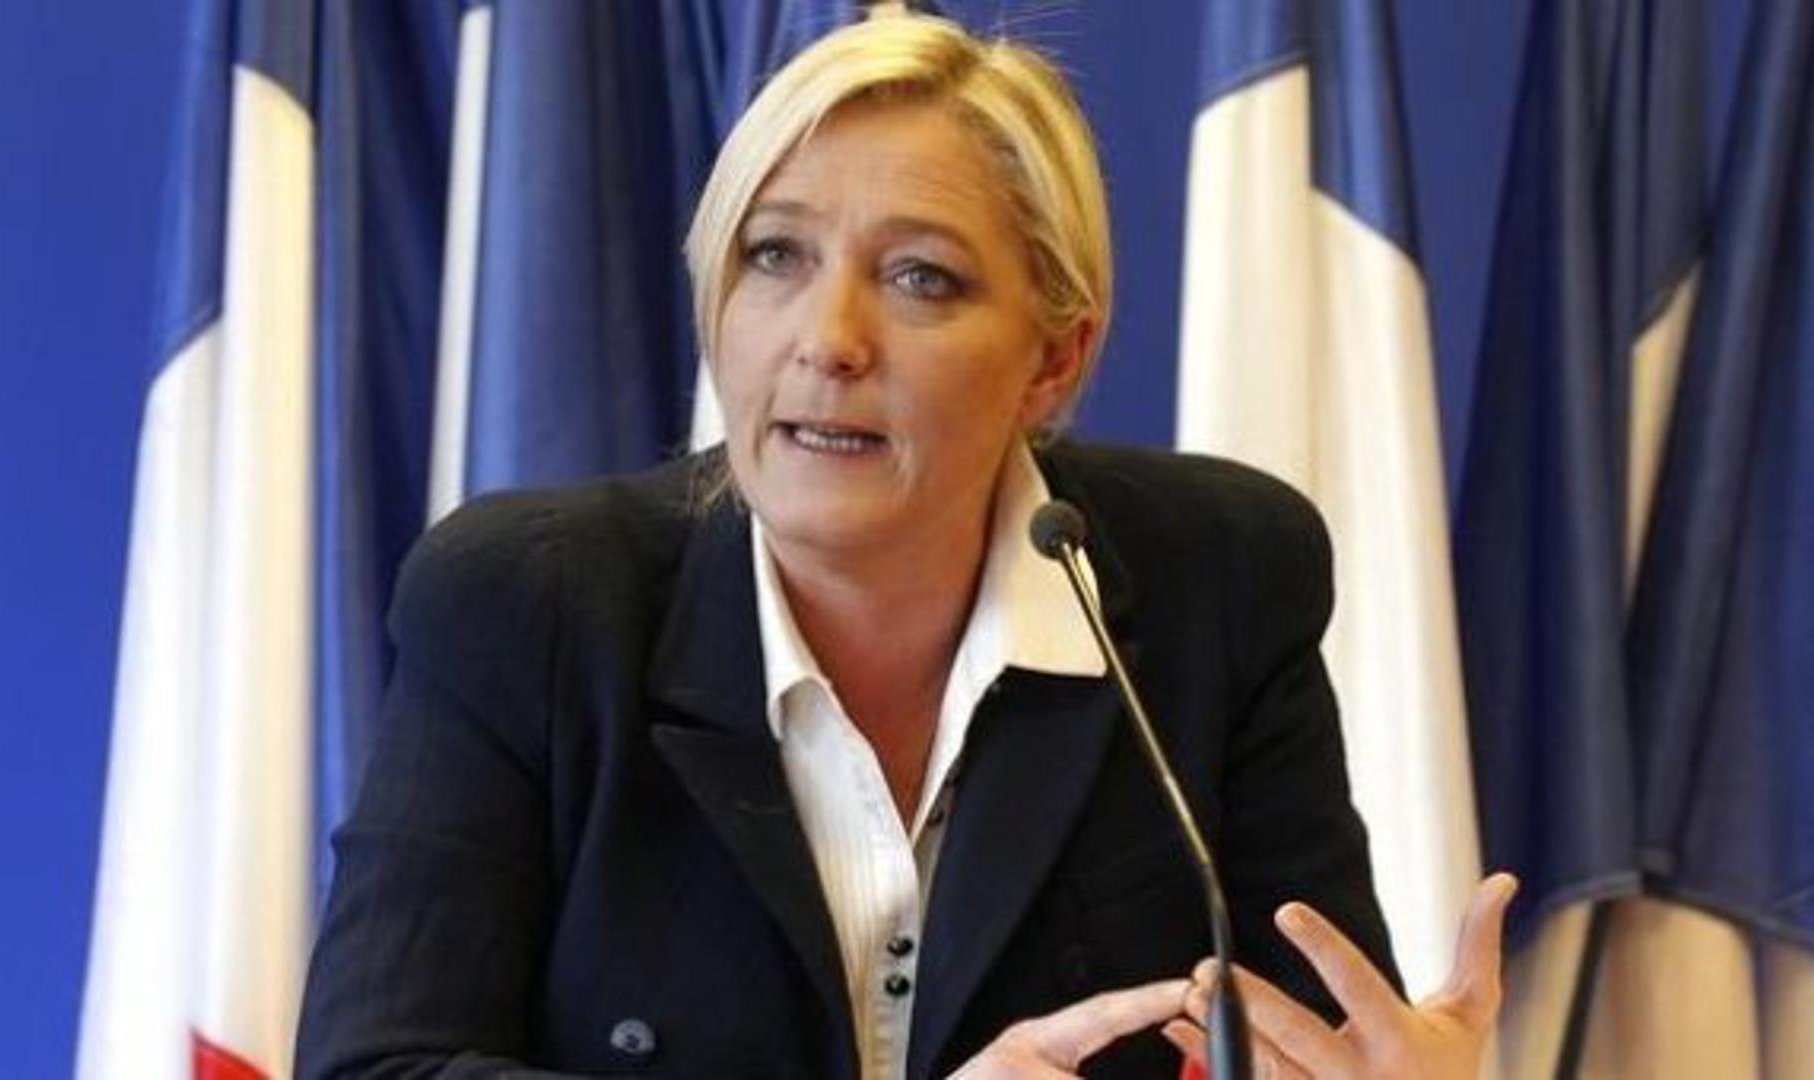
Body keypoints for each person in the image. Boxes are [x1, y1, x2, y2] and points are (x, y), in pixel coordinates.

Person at [294, 10, 1513, 1079]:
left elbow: (1305, 1034)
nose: (829, 338)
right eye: (775, 255)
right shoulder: (528, 602)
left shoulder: (1220, 582)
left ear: (1055, 357)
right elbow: (378, 1066)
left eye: (921, 278)